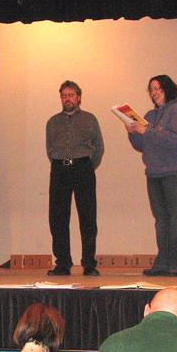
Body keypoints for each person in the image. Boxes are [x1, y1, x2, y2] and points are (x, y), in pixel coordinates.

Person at [126, 75, 177, 277]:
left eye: (158, 88)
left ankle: (176, 263)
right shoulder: (150, 115)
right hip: (155, 173)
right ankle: (163, 261)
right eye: (151, 89)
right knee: (161, 219)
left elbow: (175, 140)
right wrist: (132, 132)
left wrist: (146, 130)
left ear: (168, 89)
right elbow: (141, 145)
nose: (154, 92)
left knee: (175, 218)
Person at [46, 80, 104, 277]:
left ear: (78, 97)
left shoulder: (89, 119)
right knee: (58, 218)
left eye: (71, 95)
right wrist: (61, 163)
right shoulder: (52, 122)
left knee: (87, 217)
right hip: (59, 169)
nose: (67, 99)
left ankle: (89, 263)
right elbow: (50, 149)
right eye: (63, 95)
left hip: (83, 168)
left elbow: (99, 147)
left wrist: (87, 166)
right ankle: (62, 263)